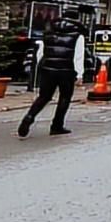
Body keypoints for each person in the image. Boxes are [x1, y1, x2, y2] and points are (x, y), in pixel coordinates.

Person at [19, 10, 85, 138]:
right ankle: (57, 125)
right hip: (66, 70)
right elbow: (78, 55)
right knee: (65, 97)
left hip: (48, 68)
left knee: (44, 96)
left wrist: (40, 67)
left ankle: (29, 117)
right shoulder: (78, 34)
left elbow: (41, 52)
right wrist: (79, 74)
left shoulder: (50, 30)